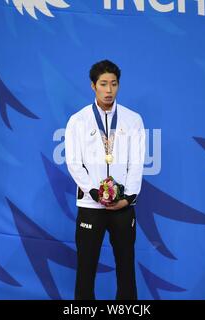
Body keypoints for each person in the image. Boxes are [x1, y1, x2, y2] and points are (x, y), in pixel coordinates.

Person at [65, 60, 145, 300]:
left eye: (113, 84)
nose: (109, 90)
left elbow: (137, 163)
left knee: (126, 267)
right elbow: (74, 163)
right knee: (86, 267)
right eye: (103, 84)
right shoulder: (78, 121)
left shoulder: (133, 120)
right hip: (91, 206)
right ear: (93, 86)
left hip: (123, 208)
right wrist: (94, 192)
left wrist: (128, 198)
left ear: (119, 85)